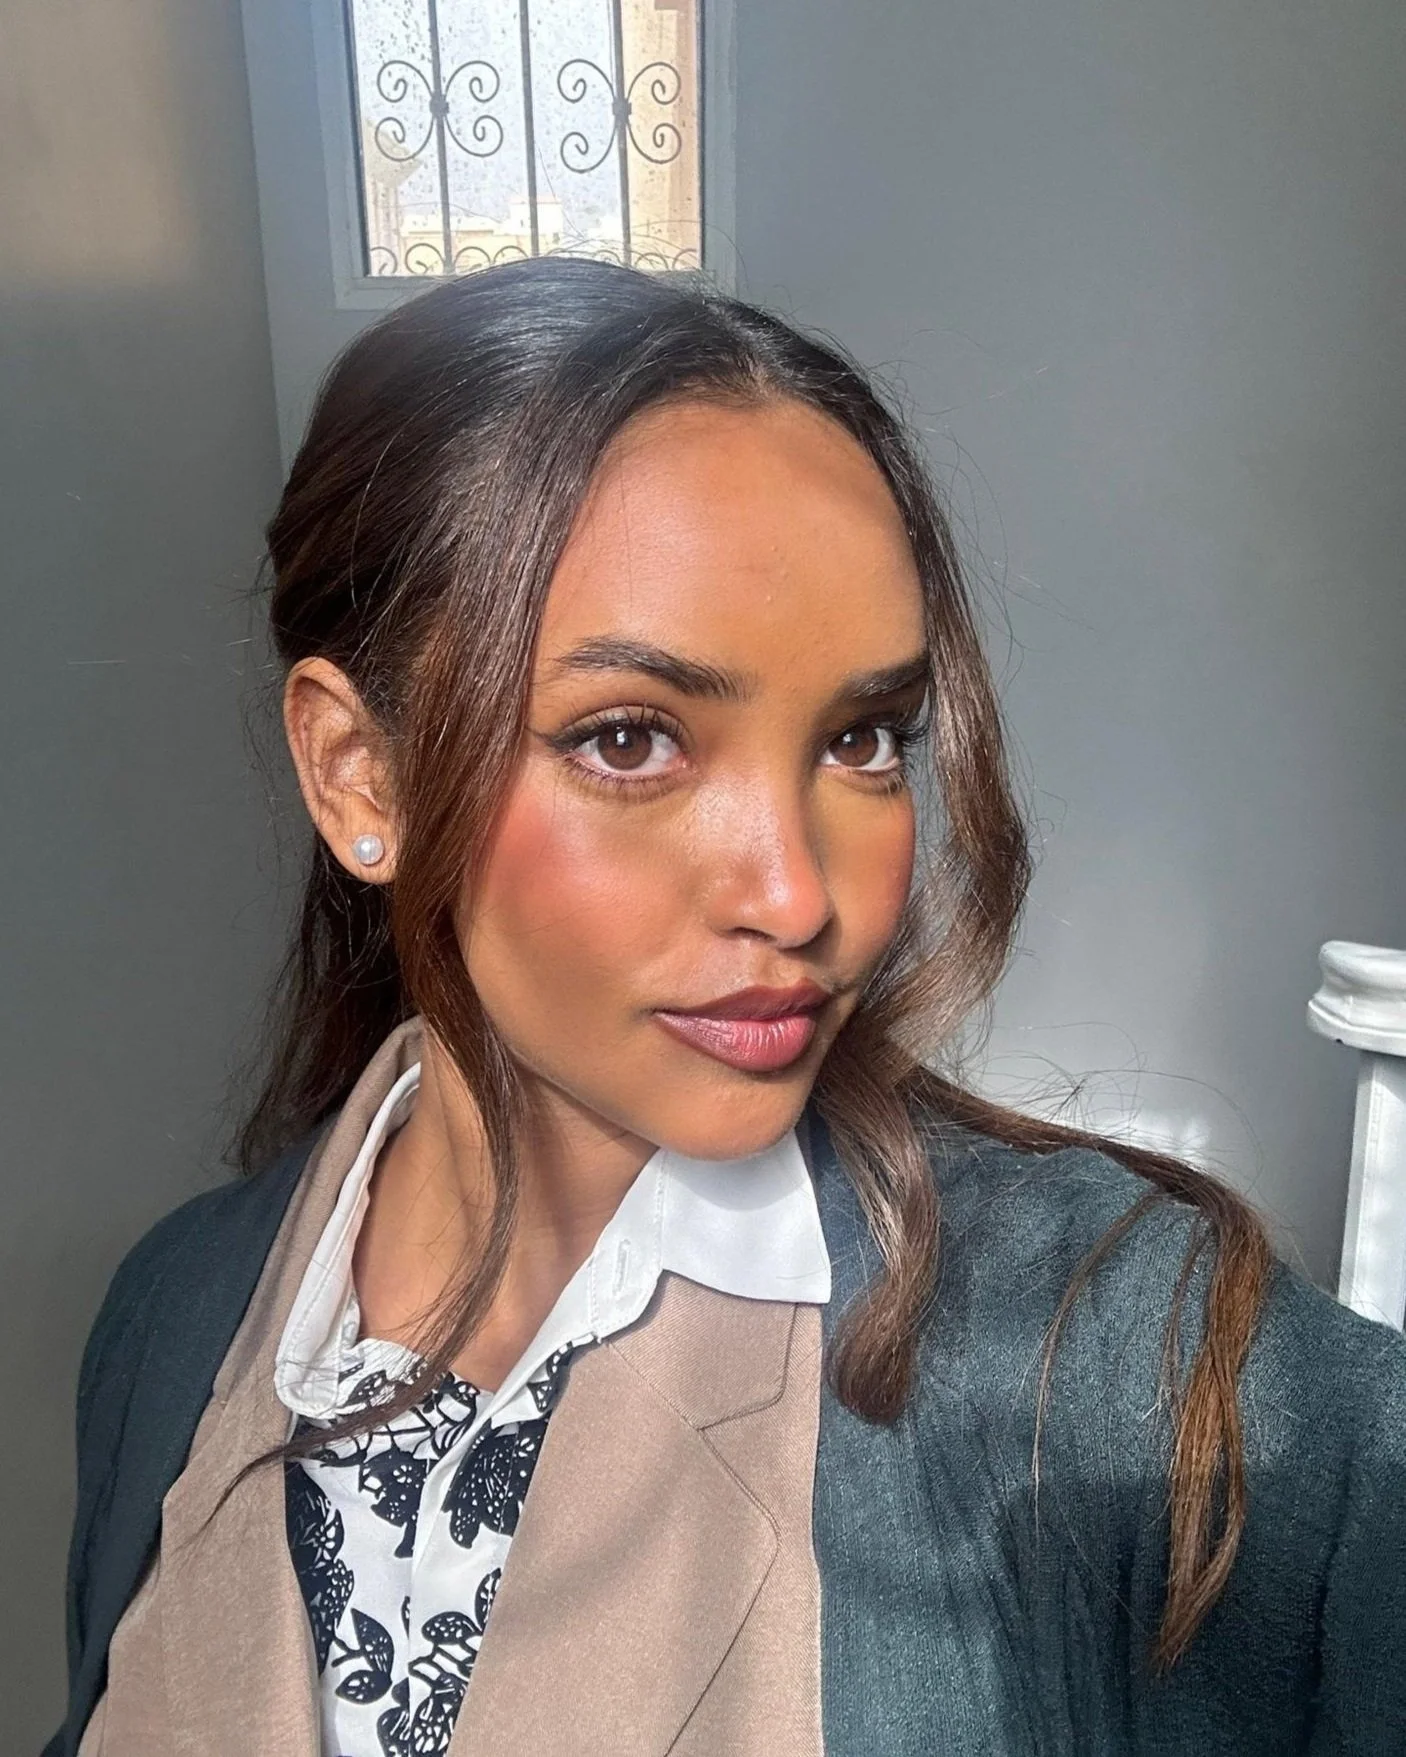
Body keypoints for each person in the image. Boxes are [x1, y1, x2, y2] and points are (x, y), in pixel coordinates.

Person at [46, 257, 1406, 1757]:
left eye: (863, 738)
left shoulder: (1111, 1346)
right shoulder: (175, 1317)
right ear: (359, 776)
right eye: (631, 740)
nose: (799, 897)